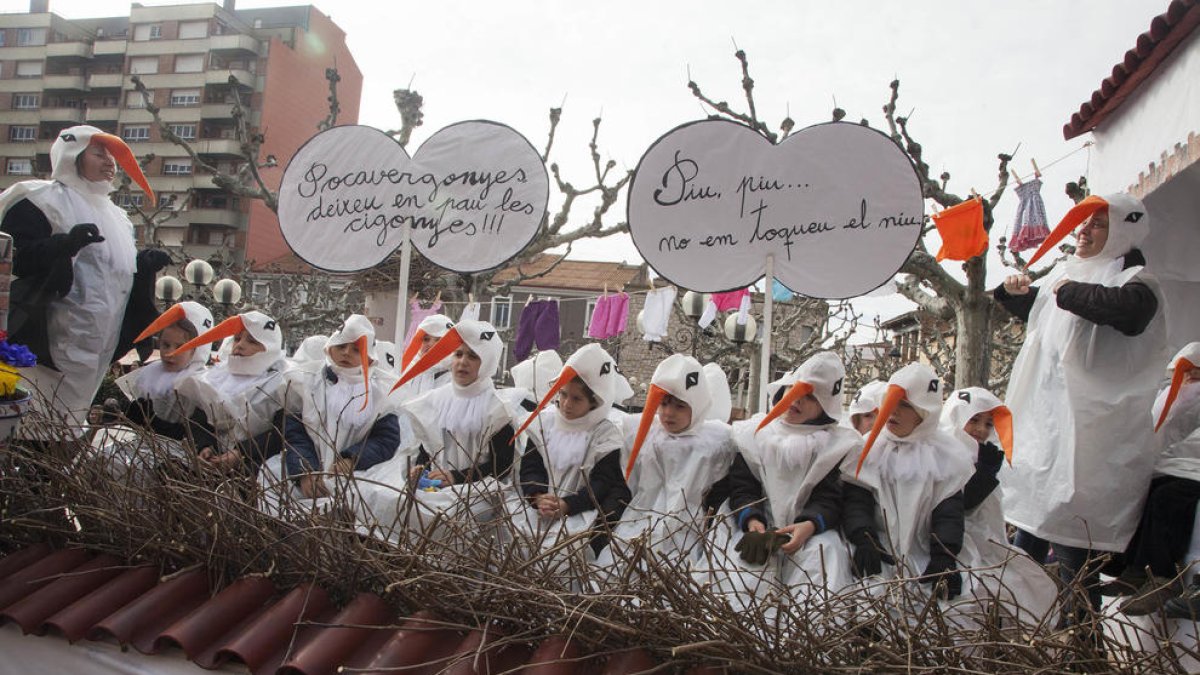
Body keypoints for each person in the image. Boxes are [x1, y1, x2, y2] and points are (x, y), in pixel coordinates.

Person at [995, 192, 1169, 620]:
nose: (1084, 231)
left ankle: (1081, 645)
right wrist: (1011, 291)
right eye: (1083, 223)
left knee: (1073, 537)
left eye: (1098, 224)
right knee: (1031, 535)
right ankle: (1020, 629)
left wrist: (1064, 291)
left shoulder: (1137, 281)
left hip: (1091, 440)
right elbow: (1044, 313)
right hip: (1047, 433)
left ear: (1123, 230)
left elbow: (1125, 313)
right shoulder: (1067, 273)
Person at [0, 125, 167, 438]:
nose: (110, 162)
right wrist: (62, 245)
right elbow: (14, 259)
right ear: (72, 156)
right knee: (29, 433)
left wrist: (143, 268)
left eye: (112, 155)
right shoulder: (39, 199)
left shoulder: (118, 218)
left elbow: (115, 279)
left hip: (93, 356)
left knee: (65, 437)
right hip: (42, 348)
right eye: (99, 153)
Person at [716, 351, 859, 608]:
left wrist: (810, 525)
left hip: (812, 531)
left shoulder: (836, 446)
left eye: (810, 397)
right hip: (761, 523)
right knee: (745, 566)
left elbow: (831, 496)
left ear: (824, 408)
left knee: (824, 561)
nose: (797, 401)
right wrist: (752, 519)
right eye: (794, 391)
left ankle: (808, 636)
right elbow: (743, 485)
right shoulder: (755, 434)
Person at [356, 320, 520, 538]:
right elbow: (430, 445)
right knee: (388, 499)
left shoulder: (497, 409)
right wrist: (420, 468)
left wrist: (456, 477)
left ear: (488, 362)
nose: (463, 362)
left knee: (443, 516)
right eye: (458, 354)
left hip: (478, 488)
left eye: (473, 356)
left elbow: (502, 466)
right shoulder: (436, 400)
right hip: (437, 483)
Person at [842, 363, 974, 601]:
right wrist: (864, 539)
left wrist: (944, 557)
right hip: (877, 548)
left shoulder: (944, 457)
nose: (894, 411)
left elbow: (948, 514)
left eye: (905, 405)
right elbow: (856, 502)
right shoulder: (867, 450)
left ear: (925, 414)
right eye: (891, 403)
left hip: (924, 551)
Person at [598, 354, 734, 568]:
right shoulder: (643, 435)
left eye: (680, 406)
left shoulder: (712, 446)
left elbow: (717, 498)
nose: (669, 413)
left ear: (696, 406)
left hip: (685, 532)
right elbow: (625, 483)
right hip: (637, 522)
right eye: (664, 404)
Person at [508, 343, 632, 559]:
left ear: (594, 402)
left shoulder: (604, 435)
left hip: (580, 511)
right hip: (539, 508)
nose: (566, 404)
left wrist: (568, 504)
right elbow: (531, 466)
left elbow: (602, 482)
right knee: (515, 540)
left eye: (577, 399)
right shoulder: (544, 422)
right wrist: (537, 496)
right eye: (563, 394)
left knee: (563, 554)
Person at [1107, 343, 1200, 616]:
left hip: (1192, 469)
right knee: (1150, 490)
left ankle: (1162, 577)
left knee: (1168, 496)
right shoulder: (1177, 395)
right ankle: (1136, 568)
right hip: (1184, 465)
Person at [274, 315, 403, 502]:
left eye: (356, 350)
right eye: (341, 346)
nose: (346, 353)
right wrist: (305, 470)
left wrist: (353, 459)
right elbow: (294, 432)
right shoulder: (305, 382)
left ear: (369, 357)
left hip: (357, 475)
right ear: (329, 349)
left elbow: (386, 439)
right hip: (306, 471)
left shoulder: (381, 393)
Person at [171, 310, 290, 475]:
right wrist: (205, 447)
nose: (240, 345)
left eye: (252, 341)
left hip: (255, 469)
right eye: (237, 338)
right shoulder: (216, 377)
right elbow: (199, 418)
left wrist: (241, 453)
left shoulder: (283, 383)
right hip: (212, 464)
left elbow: (281, 433)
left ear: (269, 348)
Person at [114, 301, 213, 440]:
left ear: (197, 350)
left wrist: (155, 424)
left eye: (180, 347)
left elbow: (196, 434)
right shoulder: (148, 374)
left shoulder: (200, 385)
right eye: (165, 345)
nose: (169, 353)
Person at [391, 313, 454, 402]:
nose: (431, 344)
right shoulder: (407, 371)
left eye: (438, 340)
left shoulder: (456, 376)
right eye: (426, 339)